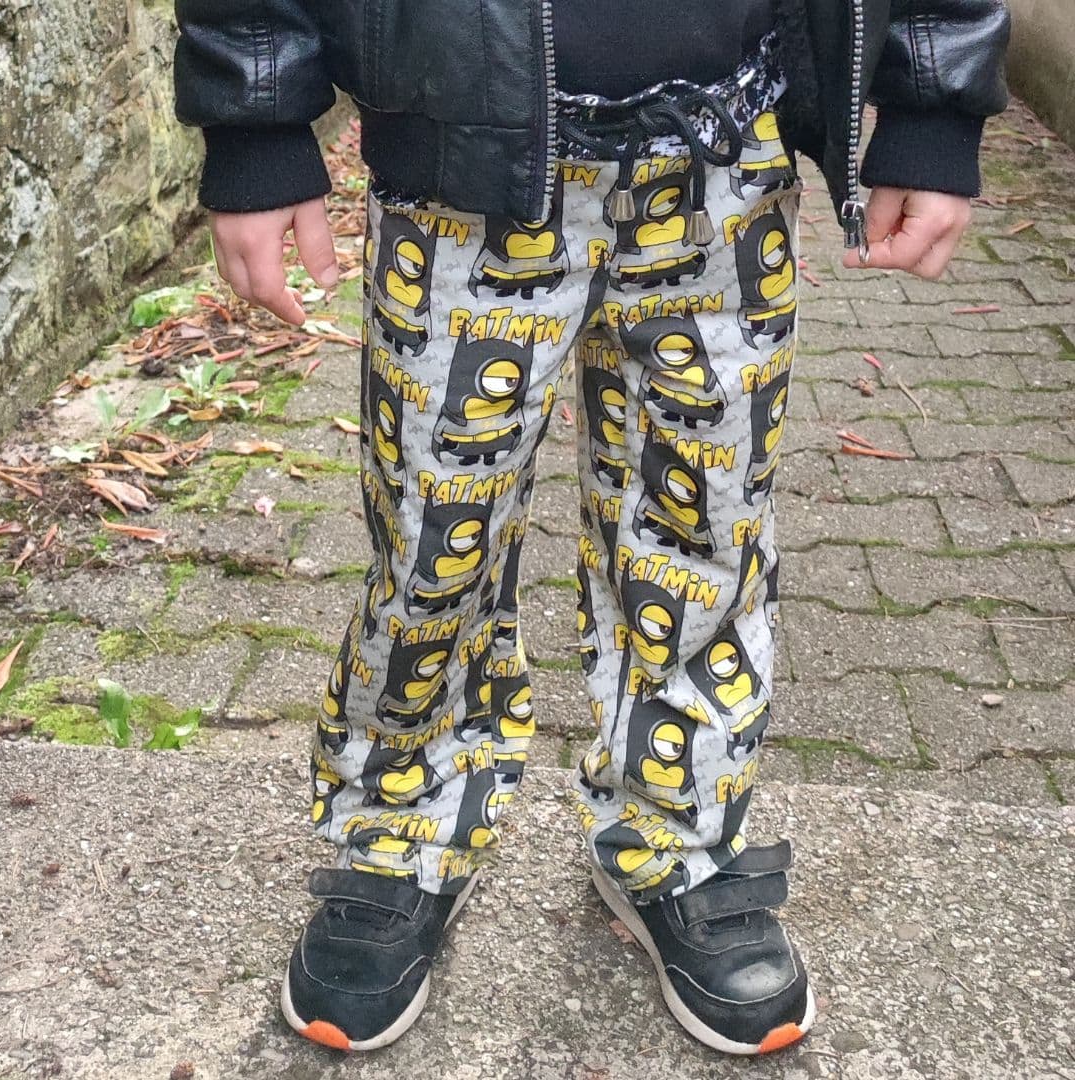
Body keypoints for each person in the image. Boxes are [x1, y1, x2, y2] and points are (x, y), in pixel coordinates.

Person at [172, 0, 1011, 1057]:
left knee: (705, 528)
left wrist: (933, 99)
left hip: (724, 154)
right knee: (435, 530)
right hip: (460, 158)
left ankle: (676, 835)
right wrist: (255, 116)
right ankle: (401, 827)